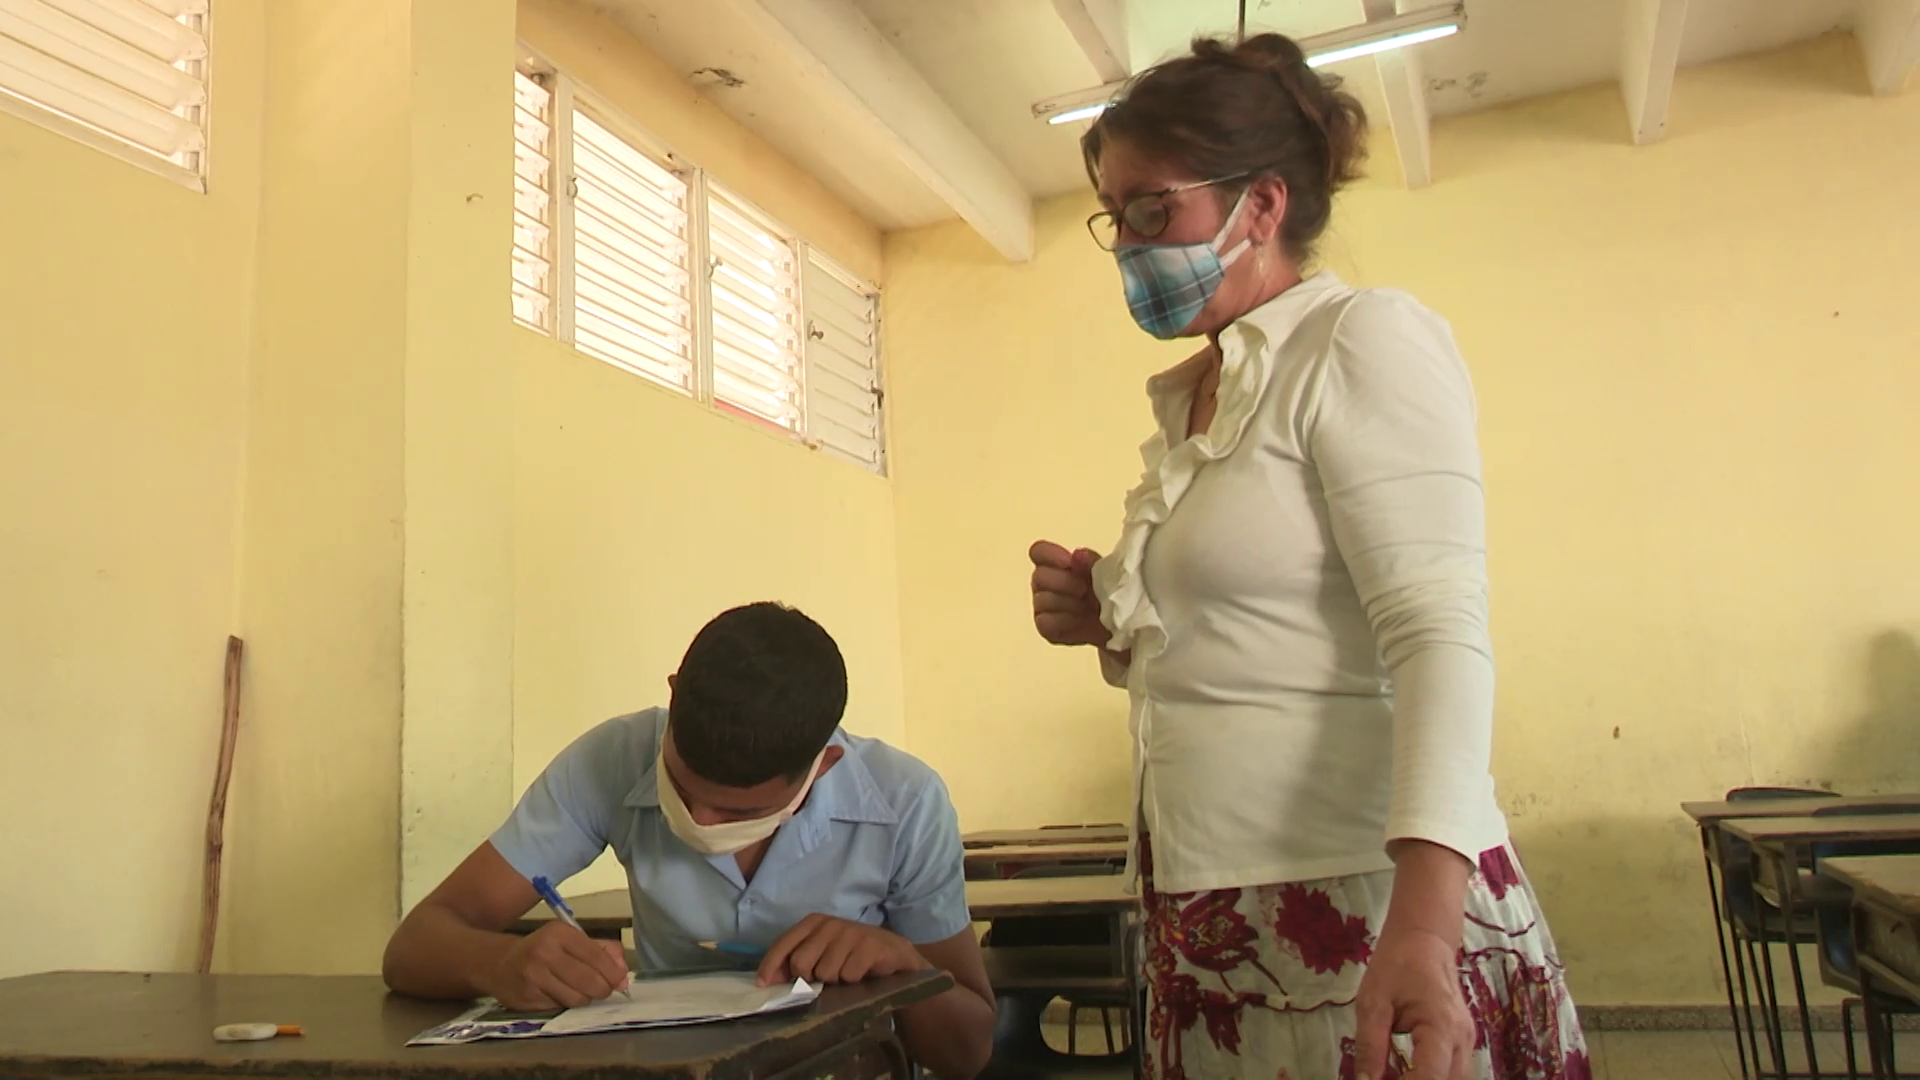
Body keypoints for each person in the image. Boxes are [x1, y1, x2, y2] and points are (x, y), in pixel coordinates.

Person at [1027, 33, 1588, 1080]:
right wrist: (1113, 615)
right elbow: (1261, 625)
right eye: (1117, 217)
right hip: (1213, 907)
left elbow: (1436, 636)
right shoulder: (1201, 396)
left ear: (1263, 205)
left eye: (1157, 209)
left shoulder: (1357, 341)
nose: (1131, 245)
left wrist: (1422, 930)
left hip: (1364, 901)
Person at [383, 602, 995, 1080]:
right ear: (673, 695)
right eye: (679, 783)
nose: (700, 819)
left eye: (739, 810)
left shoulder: (905, 802)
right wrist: (501, 963)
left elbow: (968, 1052)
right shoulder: (613, 759)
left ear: (823, 767)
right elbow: (412, 948)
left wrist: (905, 967)